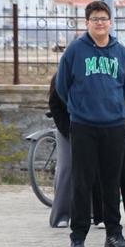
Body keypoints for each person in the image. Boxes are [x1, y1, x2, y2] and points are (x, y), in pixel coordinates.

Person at [55, 0, 125, 247]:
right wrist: (80, 108)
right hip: (84, 125)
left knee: (112, 182)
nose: (100, 23)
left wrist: (119, 111)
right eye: (95, 19)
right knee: (82, 182)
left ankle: (114, 233)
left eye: (104, 18)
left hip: (114, 125)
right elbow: (62, 86)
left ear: (110, 22)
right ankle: (77, 236)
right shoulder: (76, 51)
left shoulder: (120, 52)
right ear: (87, 23)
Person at [47, 75, 73, 228]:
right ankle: (61, 215)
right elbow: (54, 103)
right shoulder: (61, 76)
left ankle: (92, 211)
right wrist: (65, 129)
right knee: (66, 168)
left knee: (91, 168)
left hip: (88, 126)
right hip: (66, 127)